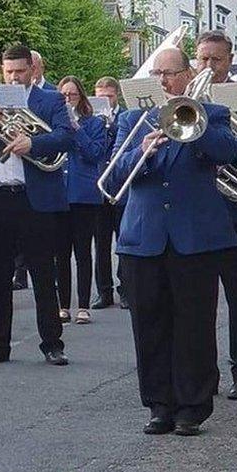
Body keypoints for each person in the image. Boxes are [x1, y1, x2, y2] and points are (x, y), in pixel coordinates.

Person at [106, 47, 236, 436]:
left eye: (171, 73)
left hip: (193, 236)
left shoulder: (211, 114)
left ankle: (192, 407)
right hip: (143, 237)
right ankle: (159, 405)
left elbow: (228, 152)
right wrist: (142, 152)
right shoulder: (134, 119)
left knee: (194, 323)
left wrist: (192, 131)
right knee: (149, 324)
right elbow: (113, 178)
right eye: (158, 74)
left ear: (188, 73)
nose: (163, 81)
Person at [0, 45, 73, 366]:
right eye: (8, 71)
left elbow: (67, 137)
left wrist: (33, 142)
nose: (13, 77)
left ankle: (52, 343)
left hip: (33, 197)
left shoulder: (50, 100)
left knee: (41, 273)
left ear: (32, 71)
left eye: (20, 71)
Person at [195, 30, 237, 401]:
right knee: (198, 301)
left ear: (230, 59)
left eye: (216, 60)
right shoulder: (187, 98)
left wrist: (229, 150)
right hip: (201, 212)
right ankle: (201, 376)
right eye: (202, 59)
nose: (208, 67)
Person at [54, 76, 106, 324]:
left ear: (81, 97)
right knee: (60, 253)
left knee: (83, 252)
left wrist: (76, 128)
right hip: (58, 193)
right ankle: (63, 305)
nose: (67, 100)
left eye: (72, 95)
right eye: (63, 95)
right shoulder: (54, 122)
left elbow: (95, 153)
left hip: (84, 195)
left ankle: (83, 305)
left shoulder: (93, 123)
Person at [90, 76, 128, 310]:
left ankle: (126, 289)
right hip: (98, 187)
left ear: (116, 96)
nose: (104, 101)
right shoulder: (89, 119)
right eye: (100, 97)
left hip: (120, 187)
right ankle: (104, 291)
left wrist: (109, 124)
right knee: (101, 245)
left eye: (109, 97)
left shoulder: (124, 116)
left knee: (124, 241)